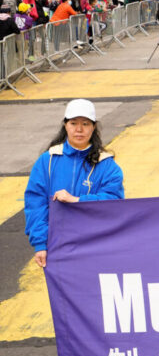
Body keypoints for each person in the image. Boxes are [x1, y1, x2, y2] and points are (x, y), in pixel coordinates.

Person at [24, 99, 125, 268]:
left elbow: (114, 202)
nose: (79, 129)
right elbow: (36, 204)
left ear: (94, 127)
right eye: (73, 123)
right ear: (65, 125)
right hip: (58, 246)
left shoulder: (107, 165)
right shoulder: (47, 161)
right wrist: (40, 244)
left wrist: (77, 201)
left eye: (85, 124)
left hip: (96, 245)